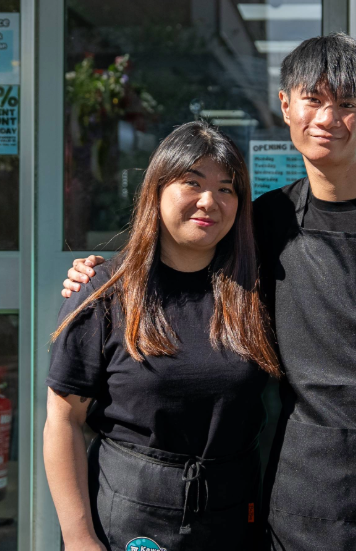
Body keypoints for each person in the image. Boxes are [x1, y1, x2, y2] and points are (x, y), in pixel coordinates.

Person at [63, 33, 356, 550]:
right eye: (313, 99)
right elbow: (185, 258)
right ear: (286, 106)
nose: (328, 119)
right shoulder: (263, 221)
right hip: (296, 492)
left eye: (348, 105)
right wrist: (103, 274)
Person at [44, 122, 283, 551]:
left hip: (232, 517)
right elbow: (63, 421)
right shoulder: (103, 292)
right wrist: (79, 538)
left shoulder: (255, 293)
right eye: (192, 183)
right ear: (156, 190)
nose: (209, 201)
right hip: (130, 517)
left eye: (226, 189)